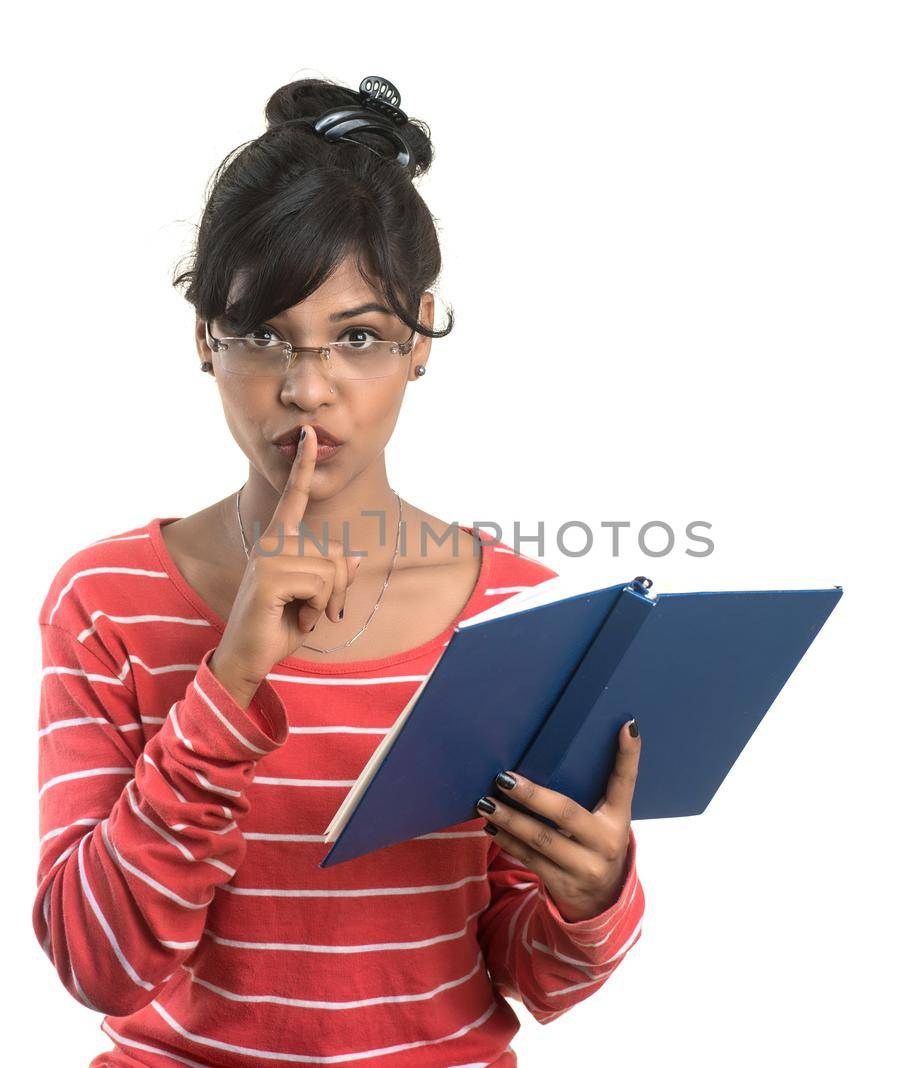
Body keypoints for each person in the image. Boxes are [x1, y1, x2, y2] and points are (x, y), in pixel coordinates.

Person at [33, 75, 646, 1068]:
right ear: (203, 337)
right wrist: (228, 680)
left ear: (419, 339)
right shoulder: (106, 602)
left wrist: (592, 898)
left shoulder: (523, 611)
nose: (306, 387)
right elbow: (97, 964)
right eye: (264, 333)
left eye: (356, 337)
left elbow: (530, 979)